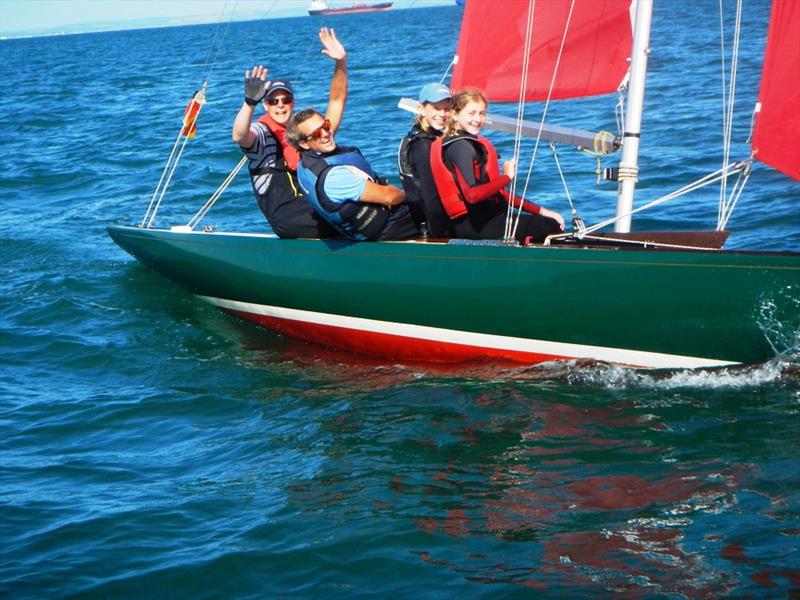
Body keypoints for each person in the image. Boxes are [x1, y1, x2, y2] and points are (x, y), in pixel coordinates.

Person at [231, 28, 346, 239]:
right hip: (288, 217)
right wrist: (249, 103)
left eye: (285, 100)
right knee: (353, 218)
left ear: (293, 103)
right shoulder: (261, 134)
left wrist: (340, 63)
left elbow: (336, 101)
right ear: (265, 105)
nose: (280, 106)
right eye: (273, 101)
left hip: (315, 205)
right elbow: (239, 136)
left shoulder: (305, 134)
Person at [430, 88, 565, 243]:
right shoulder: (460, 147)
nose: (477, 119)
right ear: (454, 115)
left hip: (486, 219)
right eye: (471, 113)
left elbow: (498, 193)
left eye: (482, 113)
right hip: (474, 224)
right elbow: (472, 196)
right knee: (548, 226)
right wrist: (507, 177)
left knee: (549, 221)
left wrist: (542, 211)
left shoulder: (469, 144)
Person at [286, 109, 420, 241]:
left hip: (373, 223)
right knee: (431, 206)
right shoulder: (333, 177)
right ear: (304, 143)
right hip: (385, 227)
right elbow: (389, 197)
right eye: (316, 134)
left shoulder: (306, 164)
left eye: (325, 126)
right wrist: (415, 195)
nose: (325, 134)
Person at [397, 82, 453, 238]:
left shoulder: (426, 137)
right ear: (422, 109)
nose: (442, 114)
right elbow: (430, 197)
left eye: (446, 109)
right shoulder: (422, 146)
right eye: (436, 108)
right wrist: (441, 236)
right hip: (432, 226)